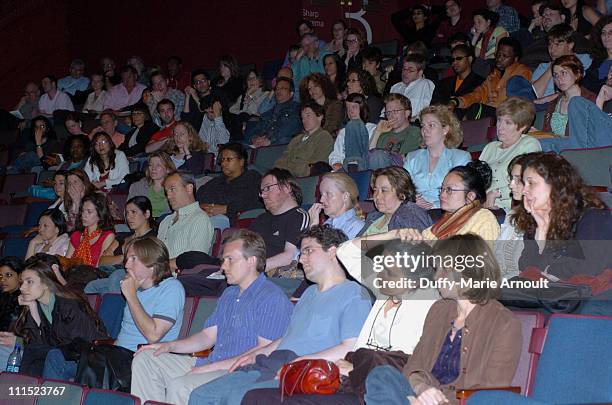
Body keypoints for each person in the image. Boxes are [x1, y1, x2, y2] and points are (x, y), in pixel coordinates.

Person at [187, 225, 372, 405]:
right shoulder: (308, 294)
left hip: (306, 372)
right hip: (273, 362)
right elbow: (288, 337)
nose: (301, 260)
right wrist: (258, 353)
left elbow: (350, 347)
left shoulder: (355, 294)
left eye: (308, 251)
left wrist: (300, 363)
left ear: (332, 251)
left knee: (236, 398)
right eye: (301, 253)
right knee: (203, 395)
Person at [131, 229, 293, 404]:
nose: (223, 266)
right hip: (212, 362)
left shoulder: (272, 298)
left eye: (230, 259)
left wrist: (209, 368)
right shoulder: (229, 294)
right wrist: (168, 345)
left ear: (251, 261)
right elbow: (207, 336)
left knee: (181, 385)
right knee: (146, 359)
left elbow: (264, 352)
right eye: (223, 260)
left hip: (239, 372)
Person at [364, 234, 522, 405]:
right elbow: (413, 367)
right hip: (421, 398)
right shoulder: (439, 310)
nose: (436, 276)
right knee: (381, 375)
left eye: (442, 270)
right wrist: (421, 390)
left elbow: (491, 394)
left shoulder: (503, 323)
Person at [78, 236, 185, 385]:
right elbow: (125, 336)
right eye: (127, 259)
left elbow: (153, 336)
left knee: (95, 361)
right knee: (65, 354)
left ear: (152, 264)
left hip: (146, 358)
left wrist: (131, 296)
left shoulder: (171, 288)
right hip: (120, 356)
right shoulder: (135, 289)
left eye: (134, 259)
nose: (126, 265)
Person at [8, 254, 108, 377]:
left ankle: (21, 390)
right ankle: (21, 391)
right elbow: (36, 343)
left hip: (88, 359)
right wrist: (33, 309)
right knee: (35, 359)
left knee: (46, 355)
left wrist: (45, 348)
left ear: (46, 284)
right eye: (22, 283)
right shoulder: (38, 305)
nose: (22, 288)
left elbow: (78, 345)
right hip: (60, 354)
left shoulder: (69, 304)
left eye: (29, 282)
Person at [516, 153, 611, 280]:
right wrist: (542, 231)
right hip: (550, 295)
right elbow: (526, 267)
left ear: (555, 184)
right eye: (524, 183)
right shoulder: (536, 219)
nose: (524, 191)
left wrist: (547, 270)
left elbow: (587, 269)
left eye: (531, 183)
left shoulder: (594, 218)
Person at [380, 162, 502, 243]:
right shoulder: (442, 223)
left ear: (470, 196)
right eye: (442, 189)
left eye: (449, 190)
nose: (442, 194)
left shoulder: (484, 218)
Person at [84, 196, 158, 294]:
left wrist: (116, 259)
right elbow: (102, 261)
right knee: (91, 286)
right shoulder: (122, 237)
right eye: (127, 213)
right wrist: (125, 257)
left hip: (134, 277)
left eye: (133, 212)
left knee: (116, 277)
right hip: (110, 275)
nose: (129, 217)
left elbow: (142, 264)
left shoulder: (153, 238)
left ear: (146, 214)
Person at [480, 97, 541, 212]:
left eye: (508, 123)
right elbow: (475, 180)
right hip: (482, 206)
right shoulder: (490, 148)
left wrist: (495, 195)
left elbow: (528, 182)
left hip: (508, 208)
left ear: (522, 127)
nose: (500, 127)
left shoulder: (528, 144)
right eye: (499, 120)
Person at [451, 37, 532, 120]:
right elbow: (477, 94)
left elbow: (517, 103)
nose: (500, 58)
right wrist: (456, 102)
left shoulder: (522, 72)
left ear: (515, 59)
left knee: (476, 109)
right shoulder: (493, 75)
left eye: (505, 56)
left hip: (507, 115)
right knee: (457, 111)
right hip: (489, 113)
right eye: (498, 54)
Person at [493, 152, 543, 279]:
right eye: (511, 178)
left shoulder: (544, 220)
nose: (511, 185)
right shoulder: (513, 215)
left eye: (518, 179)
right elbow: (496, 253)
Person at [249, 168, 310, 270]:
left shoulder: (299, 217)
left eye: (267, 188)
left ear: (286, 187)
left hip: (274, 276)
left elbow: (290, 256)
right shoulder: (261, 219)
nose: (263, 195)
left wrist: (254, 270)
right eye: (261, 191)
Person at [197, 143, 264, 228]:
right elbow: (199, 196)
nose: (223, 164)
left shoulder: (252, 178)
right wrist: (204, 207)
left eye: (228, 159)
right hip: (207, 219)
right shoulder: (217, 181)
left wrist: (227, 209)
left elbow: (256, 202)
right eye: (222, 160)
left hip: (235, 225)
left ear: (241, 161)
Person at [157, 171, 214, 272]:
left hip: (180, 280)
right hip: (158, 277)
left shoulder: (199, 219)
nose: (168, 196)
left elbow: (196, 261)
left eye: (172, 189)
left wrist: (160, 267)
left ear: (189, 188)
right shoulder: (165, 221)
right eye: (167, 192)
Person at [359, 167, 433, 237]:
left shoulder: (410, 215)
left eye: (384, 190)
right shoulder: (374, 216)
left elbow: (419, 248)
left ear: (402, 194)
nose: (377, 196)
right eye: (375, 190)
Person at [536, 54, 596, 139]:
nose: (559, 78)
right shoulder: (554, 102)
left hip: (575, 150)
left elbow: (586, 136)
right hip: (552, 148)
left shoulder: (590, 100)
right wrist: (538, 134)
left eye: (563, 73)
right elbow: (547, 132)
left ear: (577, 74)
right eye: (555, 75)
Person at [531, 24, 593, 98]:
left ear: (570, 45)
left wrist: (550, 99)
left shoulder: (585, 59)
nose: (552, 50)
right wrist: (551, 68)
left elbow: (582, 89)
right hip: (541, 107)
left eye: (557, 44)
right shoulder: (543, 67)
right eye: (550, 44)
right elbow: (534, 95)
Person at [274, 101, 334, 177]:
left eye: (308, 116)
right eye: (302, 118)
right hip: (285, 176)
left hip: (302, 179)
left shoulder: (324, 137)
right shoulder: (296, 139)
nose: (304, 120)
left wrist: (288, 169)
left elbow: (314, 167)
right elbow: (282, 159)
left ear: (319, 117)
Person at [369, 94, 422, 170]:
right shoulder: (384, 134)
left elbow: (404, 159)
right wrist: (377, 132)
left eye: (395, 111)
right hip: (379, 171)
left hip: (399, 172)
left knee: (378, 155)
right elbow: (370, 155)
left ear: (407, 113)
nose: (391, 116)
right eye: (388, 112)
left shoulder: (415, 132)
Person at [307, 172, 364, 239]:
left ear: (345, 196)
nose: (321, 200)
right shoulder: (327, 224)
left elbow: (321, 249)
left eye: (328, 194)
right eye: (321, 194)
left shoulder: (356, 227)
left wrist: (313, 228)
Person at [246, 77, 302, 147]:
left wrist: (270, 140)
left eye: (283, 88)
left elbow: (290, 127)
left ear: (291, 93)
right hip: (261, 145)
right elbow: (258, 128)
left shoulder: (297, 108)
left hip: (279, 145)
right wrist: (255, 138)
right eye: (277, 89)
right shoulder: (268, 113)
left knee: (283, 140)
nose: (279, 91)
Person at [65, 192, 116, 267]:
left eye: (89, 212)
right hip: (73, 275)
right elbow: (66, 262)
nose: (83, 215)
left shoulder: (107, 236)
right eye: (82, 211)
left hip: (95, 276)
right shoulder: (76, 235)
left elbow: (101, 265)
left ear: (100, 214)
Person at [431, 44, 485, 114]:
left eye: (459, 58)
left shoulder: (480, 83)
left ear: (470, 59)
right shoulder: (443, 83)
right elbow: (434, 105)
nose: (454, 62)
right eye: (452, 60)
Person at [329, 93, 377, 171]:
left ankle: (353, 166)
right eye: (348, 108)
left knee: (354, 125)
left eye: (354, 107)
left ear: (362, 108)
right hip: (345, 168)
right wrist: (337, 163)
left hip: (364, 166)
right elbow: (335, 155)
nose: (350, 111)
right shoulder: (343, 132)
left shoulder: (373, 128)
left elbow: (371, 152)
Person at [128, 151, 176, 218]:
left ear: (168, 169)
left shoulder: (175, 188)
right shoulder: (137, 187)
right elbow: (130, 211)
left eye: (158, 165)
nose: (153, 169)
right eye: (151, 165)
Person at [389, 54, 435, 120]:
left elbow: (427, 109)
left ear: (420, 72)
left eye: (410, 70)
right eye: (404, 69)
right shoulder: (395, 87)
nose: (405, 72)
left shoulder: (426, 84)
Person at [292, 33, 333, 99]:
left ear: (316, 43)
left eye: (308, 44)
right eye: (304, 46)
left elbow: (321, 79)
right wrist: (297, 59)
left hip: (324, 94)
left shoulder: (327, 56)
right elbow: (294, 79)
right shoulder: (303, 60)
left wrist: (312, 60)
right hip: (305, 97)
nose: (307, 48)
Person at [583, 16, 612, 93]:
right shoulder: (598, 60)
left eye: (611, 32)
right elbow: (585, 83)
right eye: (603, 33)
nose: (606, 36)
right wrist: (605, 83)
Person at [0, 257, 24, 332]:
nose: (2, 280)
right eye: (0, 276)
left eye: (9, 275)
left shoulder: (24, 300)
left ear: (20, 276)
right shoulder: (4, 295)